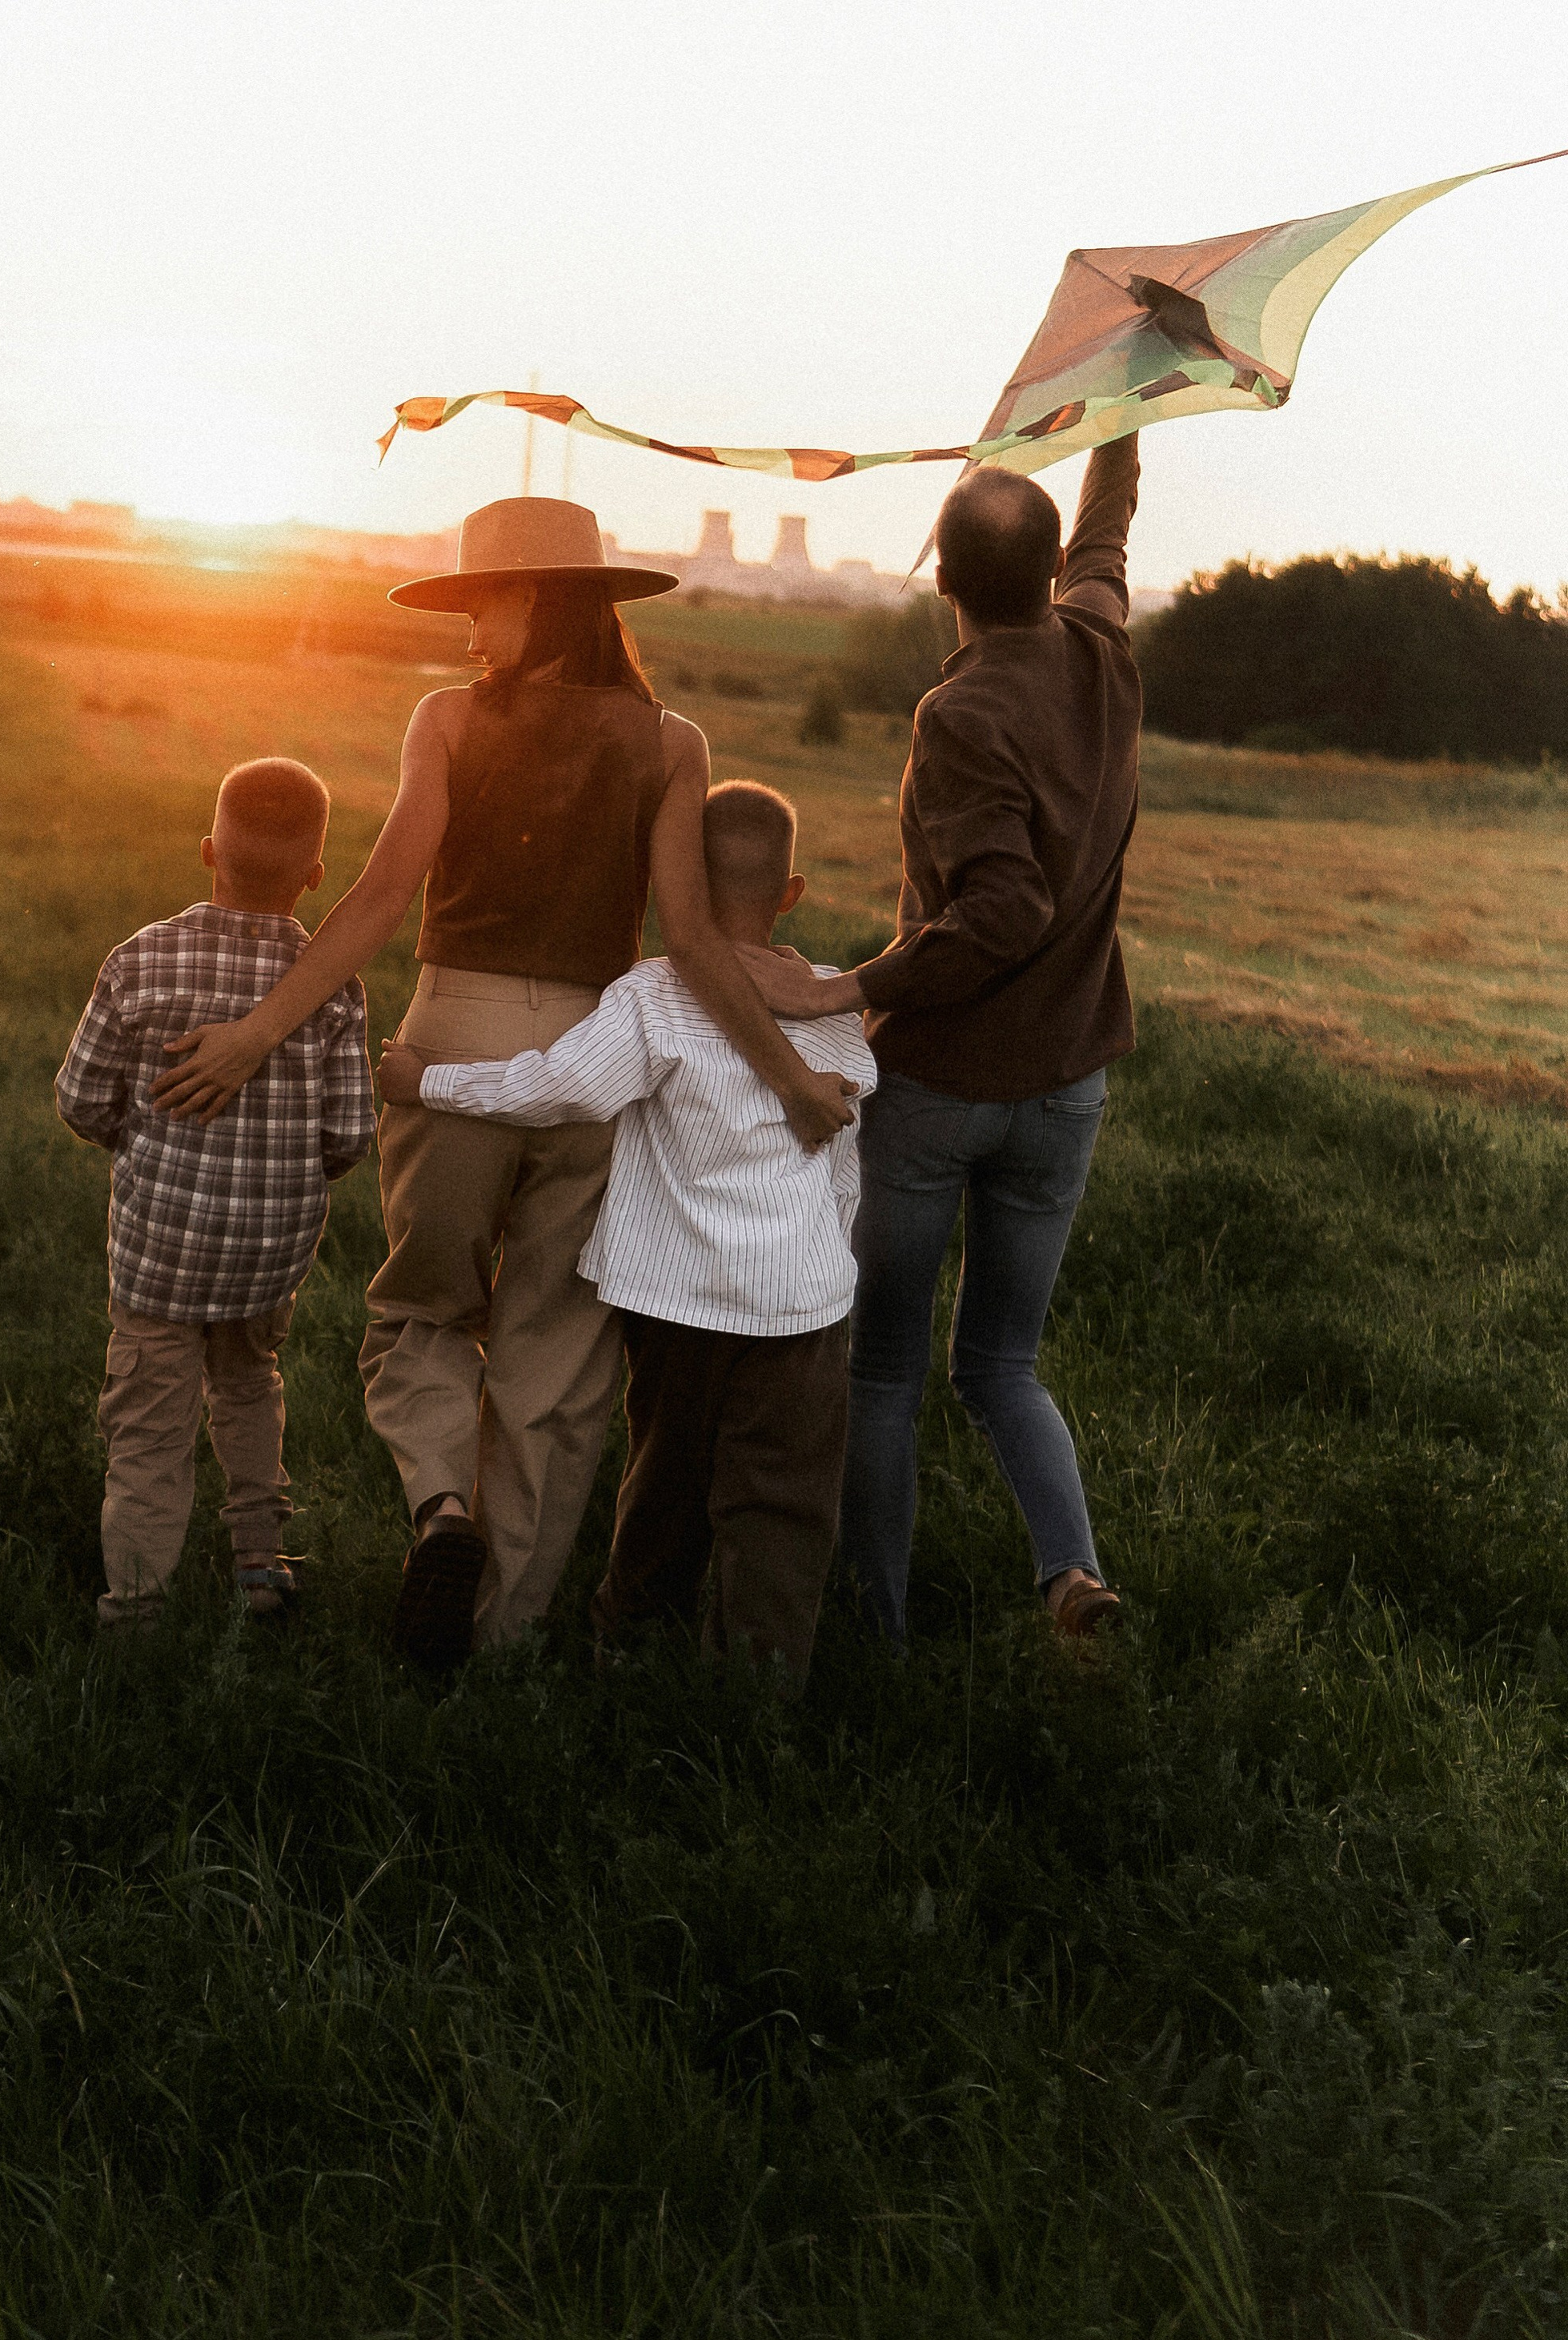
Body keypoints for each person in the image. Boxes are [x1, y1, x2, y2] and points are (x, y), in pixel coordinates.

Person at [148, 497, 857, 1672]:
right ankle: (501, 1634)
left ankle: (442, 1509)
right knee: (556, 1355)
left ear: (542, 596)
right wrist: (787, 1078)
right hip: (595, 1059)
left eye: (483, 606)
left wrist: (256, 1033)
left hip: (453, 1043)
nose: (471, 633)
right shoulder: (672, 741)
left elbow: (377, 900)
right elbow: (690, 937)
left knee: (419, 1310)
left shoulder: (448, 722)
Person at [741, 435, 1145, 1647]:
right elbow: (1111, 528)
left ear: (945, 581)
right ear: (1055, 570)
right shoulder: (1104, 650)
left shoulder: (960, 711)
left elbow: (1002, 910)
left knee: (884, 1371)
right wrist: (1122, 401)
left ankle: (880, 1631)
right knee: (1003, 1366)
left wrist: (846, 987)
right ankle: (1070, 1577)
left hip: (942, 1086)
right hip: (1066, 1087)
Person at [379, 781, 874, 1689]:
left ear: (672, 882)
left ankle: (631, 1654)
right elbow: (845, 1165)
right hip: (805, 1306)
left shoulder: (654, 995)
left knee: (666, 1480)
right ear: (791, 892)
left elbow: (559, 1087)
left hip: (681, 1304)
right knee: (784, 1506)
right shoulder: (831, 1006)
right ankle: (759, 1687)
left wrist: (429, 1082)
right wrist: (825, 1258)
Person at [54, 757, 374, 1627]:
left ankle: (137, 1607)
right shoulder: (331, 985)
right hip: (269, 1254)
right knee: (249, 1382)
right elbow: (350, 1133)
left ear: (208, 851)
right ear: (315, 875)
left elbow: (81, 1099)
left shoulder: (140, 961)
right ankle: (260, 1567)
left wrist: (142, 1141)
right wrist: (283, 1171)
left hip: (161, 1246)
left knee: (149, 1429)